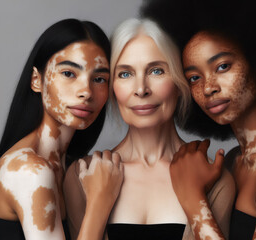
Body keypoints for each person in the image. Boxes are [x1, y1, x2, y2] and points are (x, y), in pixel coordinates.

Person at [141, 0, 256, 239]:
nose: (208, 88)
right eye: (194, 78)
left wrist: (193, 198)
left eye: (223, 66)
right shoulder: (234, 159)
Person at [63, 18, 235, 240]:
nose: (141, 89)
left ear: (179, 80)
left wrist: (196, 199)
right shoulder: (83, 175)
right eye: (125, 74)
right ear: (111, 87)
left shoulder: (215, 179)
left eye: (156, 71)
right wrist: (97, 206)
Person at [0, 18, 123, 240]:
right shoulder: (30, 171)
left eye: (99, 78)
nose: (86, 91)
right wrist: (99, 203)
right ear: (36, 80)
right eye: (69, 73)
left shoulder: (69, 167)